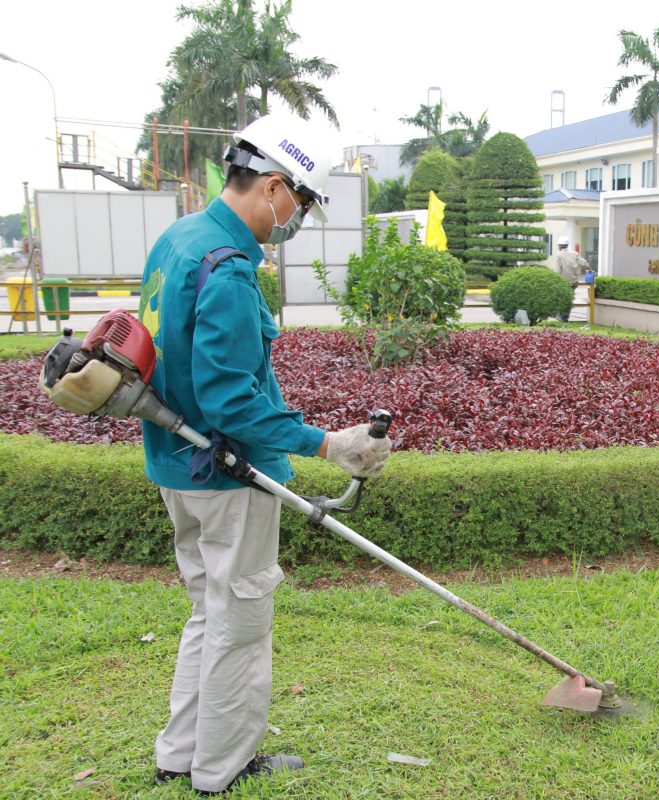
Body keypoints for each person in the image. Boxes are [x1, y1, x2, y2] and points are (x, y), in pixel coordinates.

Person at [138, 113, 393, 795]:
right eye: (301, 205)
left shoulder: (178, 240)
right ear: (274, 186)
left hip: (175, 466)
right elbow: (230, 400)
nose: (297, 219)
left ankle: (180, 754)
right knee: (241, 622)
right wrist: (327, 444)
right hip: (223, 476)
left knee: (208, 612)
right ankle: (221, 770)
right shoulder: (225, 266)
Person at [548, 236, 589, 321]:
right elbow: (584, 263)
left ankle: (562, 317)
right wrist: (589, 268)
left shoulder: (558, 255)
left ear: (559, 245)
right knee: (568, 299)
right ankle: (565, 317)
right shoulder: (574, 254)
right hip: (573, 282)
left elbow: (557, 271)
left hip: (563, 283)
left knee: (561, 299)